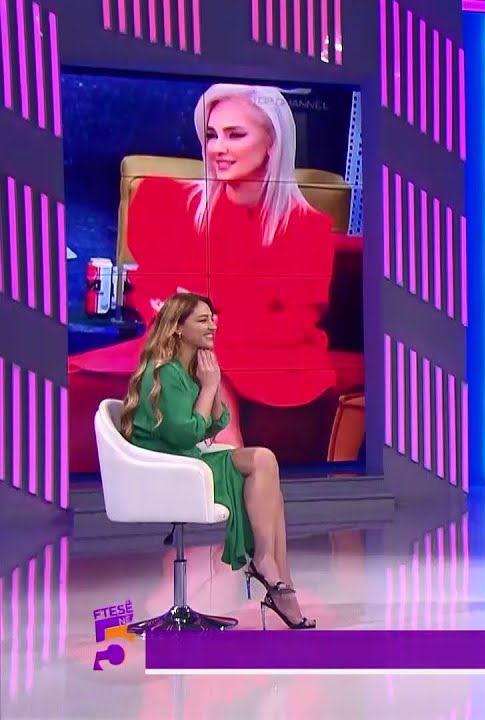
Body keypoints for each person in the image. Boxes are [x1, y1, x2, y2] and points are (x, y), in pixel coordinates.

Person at [69, 82, 338, 471]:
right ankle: (225, 464)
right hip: (180, 343)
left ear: (272, 143)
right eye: (212, 135)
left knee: (200, 350)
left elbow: (293, 326)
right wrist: (207, 323)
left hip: (274, 360)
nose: (218, 148)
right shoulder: (168, 204)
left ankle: (219, 468)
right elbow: (154, 294)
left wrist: (205, 324)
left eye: (235, 134)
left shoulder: (306, 229)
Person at [119, 292, 315, 629]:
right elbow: (185, 434)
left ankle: (279, 578)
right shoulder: (163, 373)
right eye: (202, 320)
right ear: (177, 328)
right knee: (261, 464)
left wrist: (213, 382)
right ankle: (270, 571)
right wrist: (209, 387)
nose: (212, 326)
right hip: (170, 472)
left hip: (187, 463)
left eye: (213, 318)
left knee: (266, 468)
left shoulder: (186, 370)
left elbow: (215, 424)